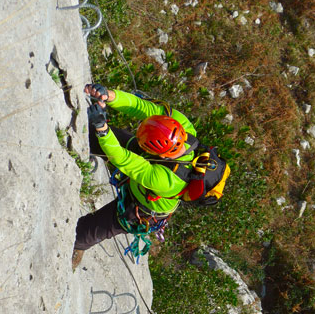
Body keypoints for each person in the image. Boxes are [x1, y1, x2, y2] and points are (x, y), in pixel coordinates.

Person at [72, 84, 229, 268]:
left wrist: (102, 129)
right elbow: (142, 107)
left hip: (141, 208)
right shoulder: (183, 125)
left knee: (85, 232)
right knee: (100, 136)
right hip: (150, 163)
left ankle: (77, 246)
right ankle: (88, 138)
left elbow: (122, 159)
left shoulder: (167, 180)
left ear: (161, 155)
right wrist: (111, 96)